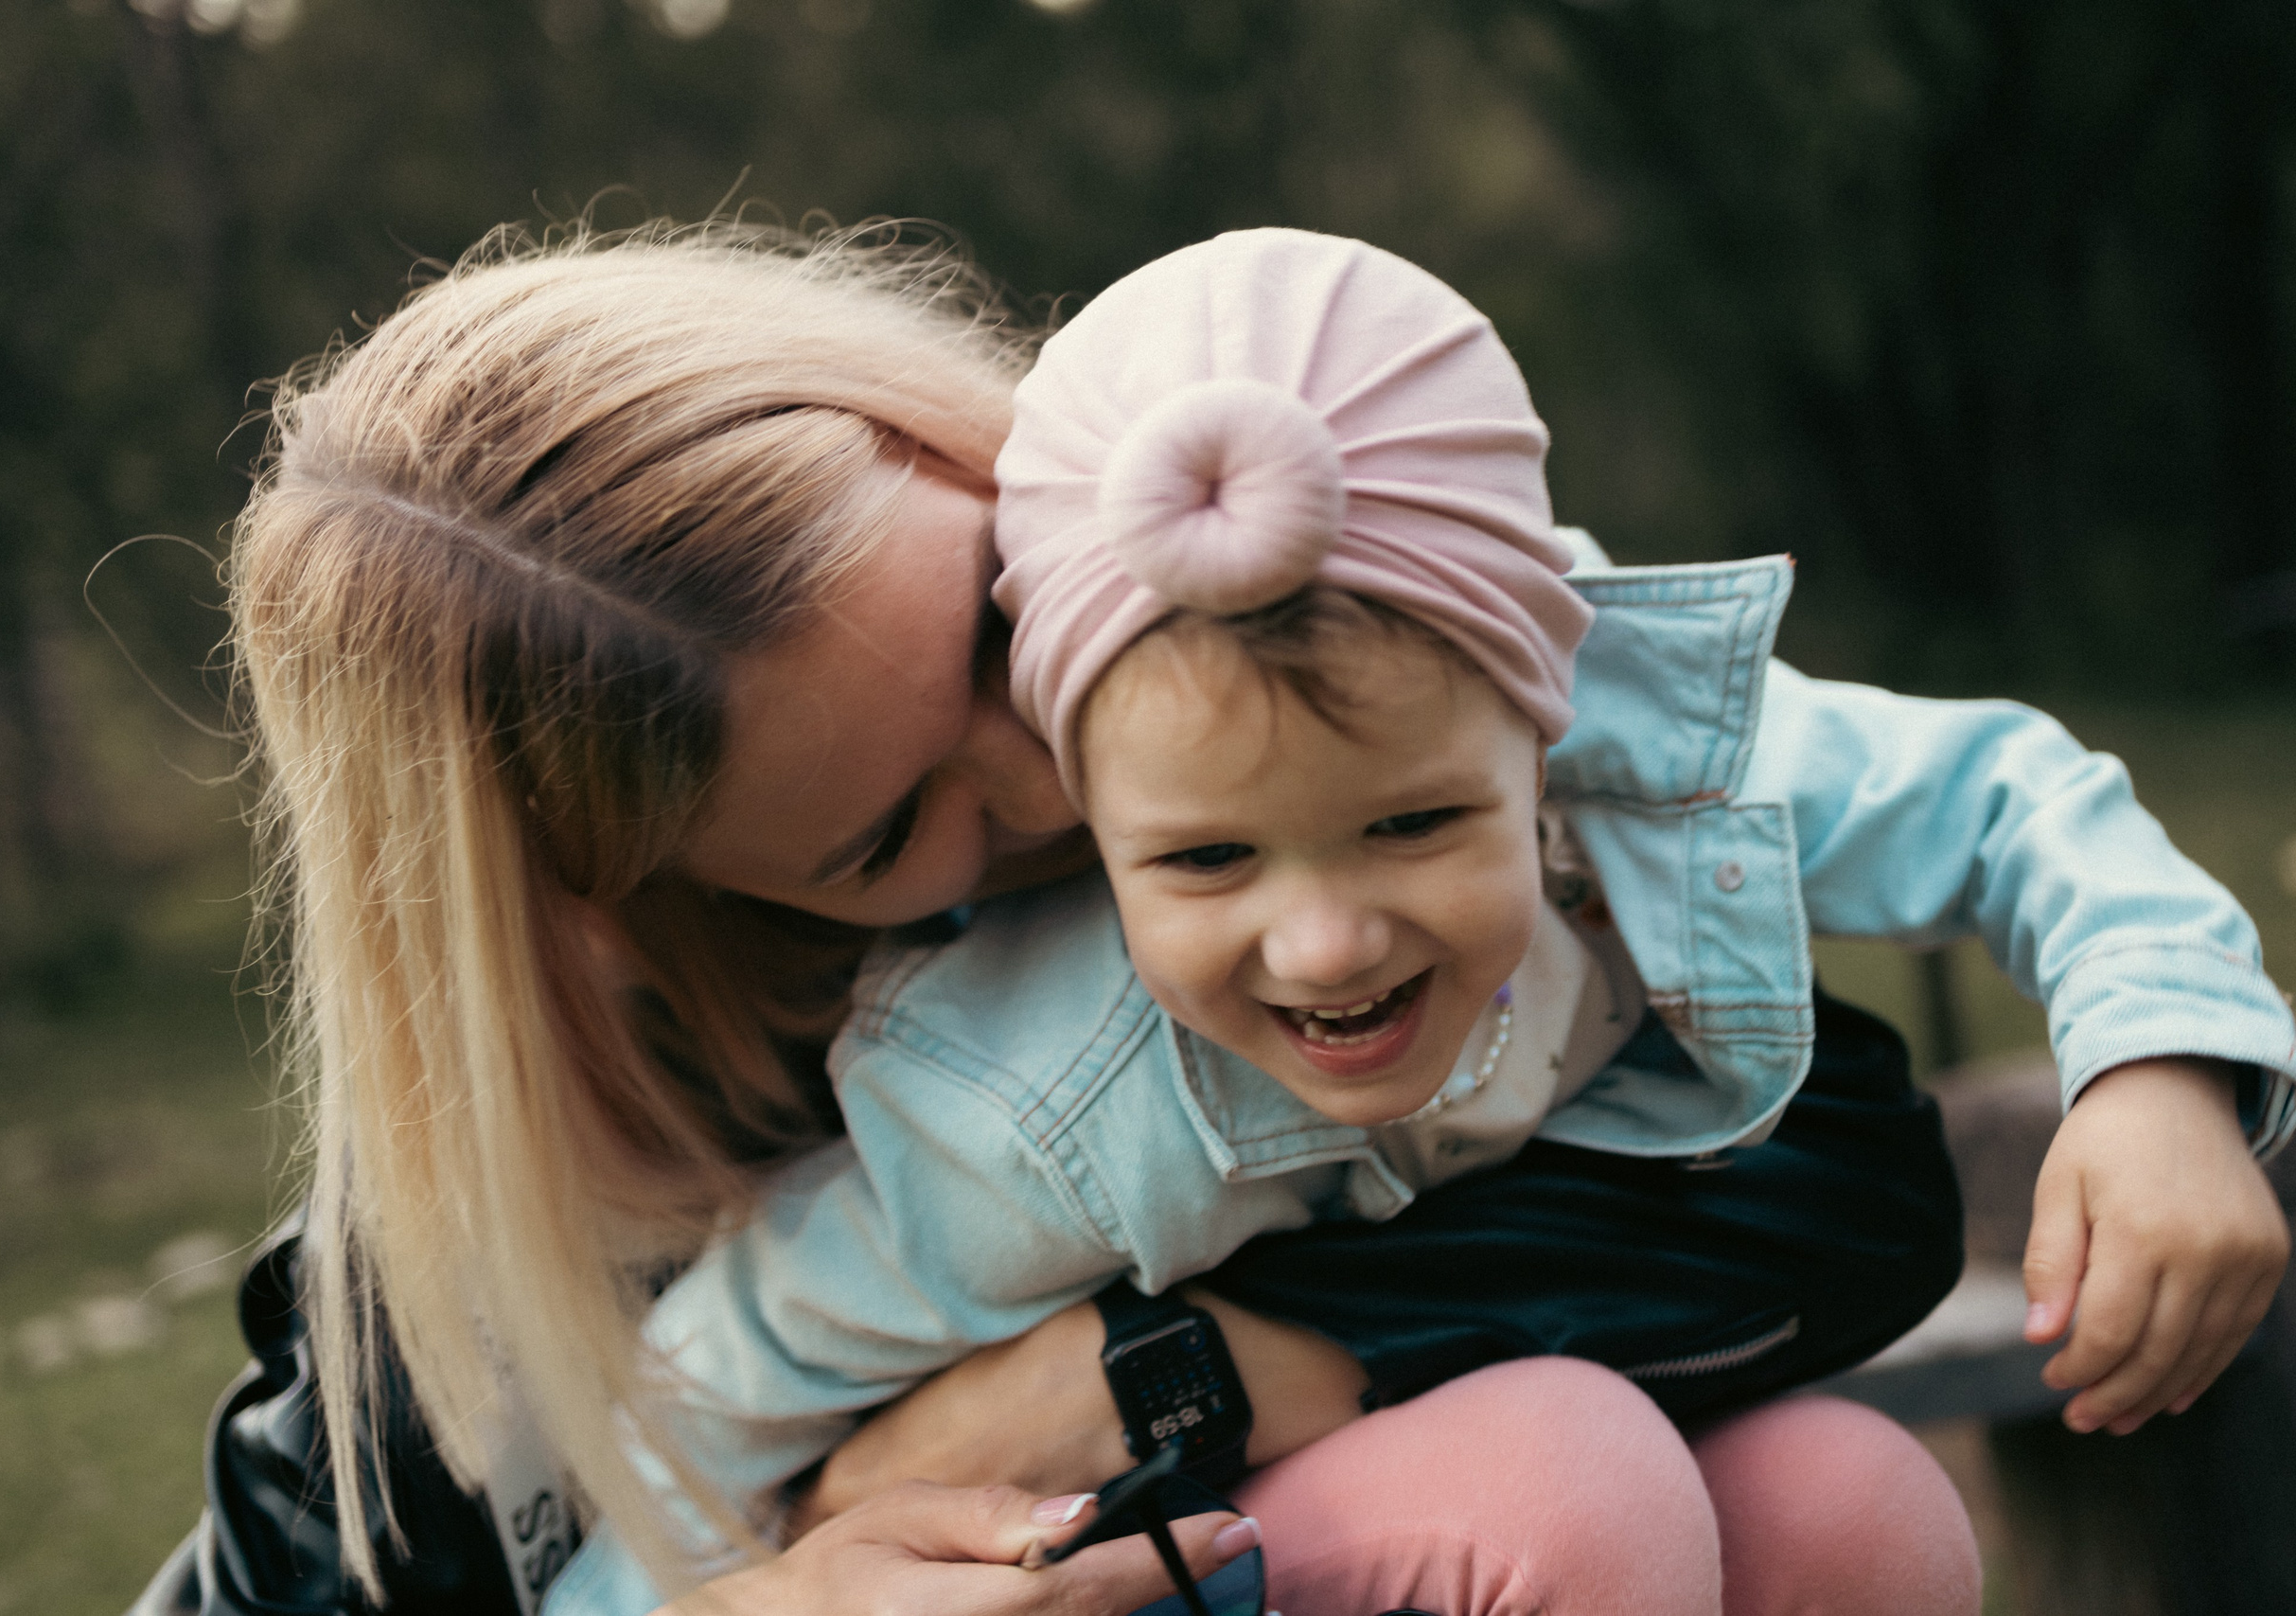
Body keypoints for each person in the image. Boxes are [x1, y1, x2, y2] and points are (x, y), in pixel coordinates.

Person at [138, 220, 2290, 1616]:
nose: (1060, 774)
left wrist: (1172, 1367)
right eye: (894, 828)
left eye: (996, 628)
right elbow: (691, 1409)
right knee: (1562, 1493)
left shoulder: (1286, 662)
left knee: (1846, 1500)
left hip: (1297, 1463)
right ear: (637, 906)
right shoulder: (949, 1114)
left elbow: (1837, 1172)